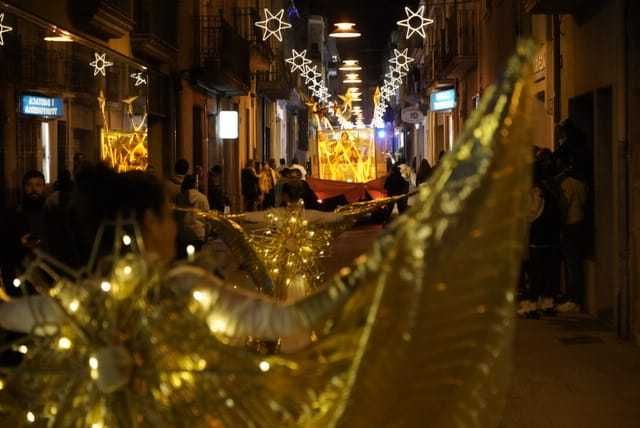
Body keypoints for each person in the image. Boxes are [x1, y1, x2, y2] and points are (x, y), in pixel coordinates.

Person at [518, 160, 562, 317]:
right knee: (546, 272)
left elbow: (532, 213)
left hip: (538, 238)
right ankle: (546, 302)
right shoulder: (550, 188)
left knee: (536, 272)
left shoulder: (536, 191)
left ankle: (530, 305)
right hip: (549, 238)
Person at [1, 170, 47, 297]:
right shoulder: (12, 214)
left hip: (47, 276)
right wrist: (20, 243)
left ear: (44, 187)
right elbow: (4, 247)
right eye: (29, 185)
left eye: (38, 185)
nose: (33, 189)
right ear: (23, 187)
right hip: (20, 277)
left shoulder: (52, 214)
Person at [554, 151, 588, 312]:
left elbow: (564, 205)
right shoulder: (582, 183)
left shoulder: (567, 183)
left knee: (572, 263)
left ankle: (574, 299)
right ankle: (575, 298)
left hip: (570, 224)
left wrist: (560, 223)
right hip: (580, 221)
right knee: (575, 263)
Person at [176, 175, 210, 251]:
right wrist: (206, 234)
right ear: (195, 184)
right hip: (198, 233)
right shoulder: (202, 198)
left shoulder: (180, 197)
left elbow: (176, 217)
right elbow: (208, 218)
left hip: (184, 233)